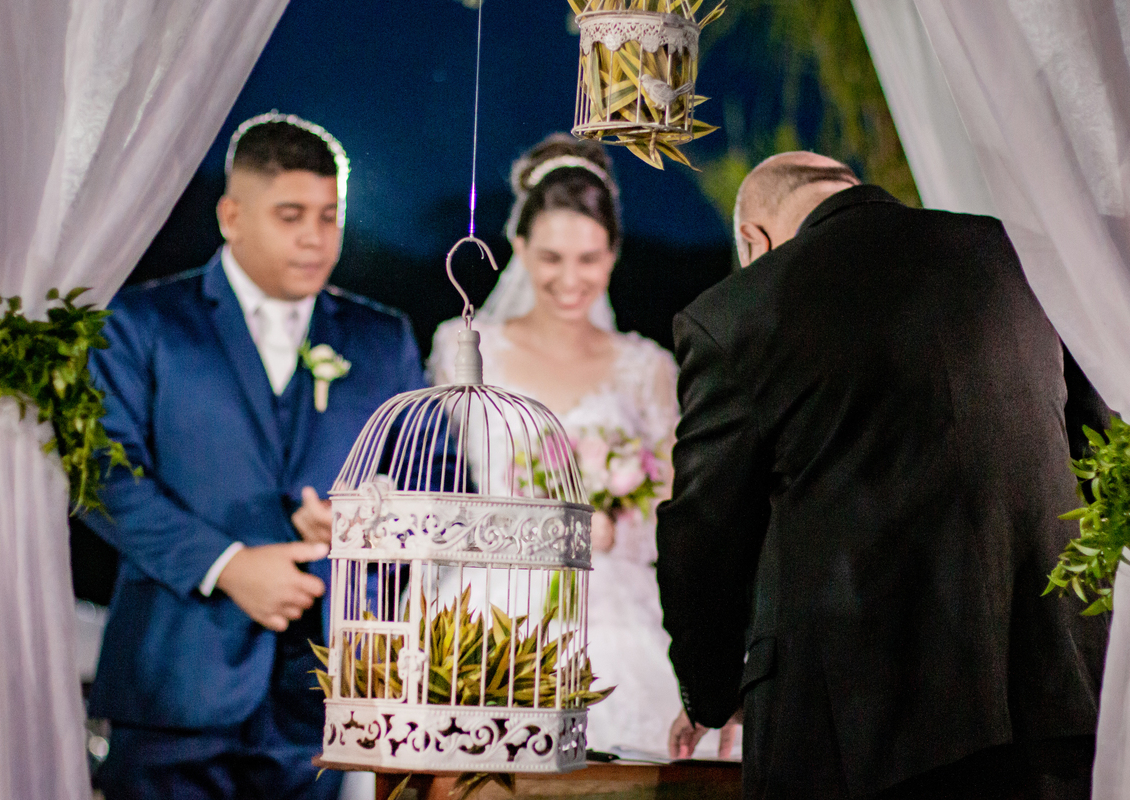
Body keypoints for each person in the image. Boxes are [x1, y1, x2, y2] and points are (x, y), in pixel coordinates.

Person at [657, 151, 1108, 798]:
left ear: (753, 240)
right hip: (1057, 695)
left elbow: (703, 530)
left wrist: (709, 690)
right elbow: (1096, 454)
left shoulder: (740, 312)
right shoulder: (1024, 256)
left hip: (860, 724)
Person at [84, 113, 429, 799]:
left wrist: (368, 520)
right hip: (174, 686)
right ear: (232, 215)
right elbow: (101, 474)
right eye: (291, 215)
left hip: (321, 694)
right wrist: (229, 565)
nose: (314, 237)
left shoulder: (382, 338)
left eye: (330, 216)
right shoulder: (142, 323)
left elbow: (437, 474)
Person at [429, 134, 732, 758]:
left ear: (614, 254)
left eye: (589, 259)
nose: (570, 280)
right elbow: (439, 482)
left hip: (613, 604)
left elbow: (677, 512)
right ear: (518, 249)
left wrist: (616, 529)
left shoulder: (644, 366)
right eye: (551, 258)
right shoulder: (462, 349)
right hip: (488, 600)